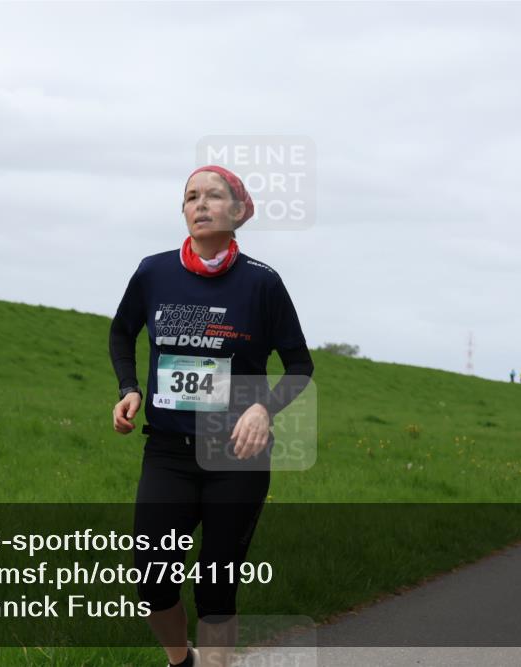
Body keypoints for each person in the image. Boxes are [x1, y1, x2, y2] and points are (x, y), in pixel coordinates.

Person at [109, 165, 314, 667]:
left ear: (239, 212)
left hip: (236, 458)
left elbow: (300, 366)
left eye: (214, 196)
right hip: (167, 454)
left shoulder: (262, 284)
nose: (200, 204)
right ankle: (182, 661)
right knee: (152, 577)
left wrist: (266, 408)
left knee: (215, 584)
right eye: (190, 197)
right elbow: (121, 333)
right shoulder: (153, 272)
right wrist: (129, 388)